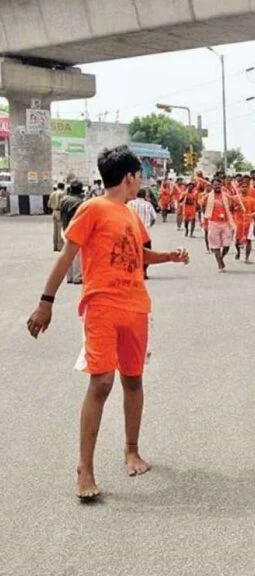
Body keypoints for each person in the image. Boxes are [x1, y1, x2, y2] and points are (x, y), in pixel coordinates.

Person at [26, 145, 189, 500]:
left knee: (133, 380)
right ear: (129, 177)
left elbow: (138, 254)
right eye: (139, 176)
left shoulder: (130, 214)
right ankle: (85, 469)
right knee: (101, 383)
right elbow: (66, 256)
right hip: (102, 306)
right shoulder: (92, 208)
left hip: (136, 308)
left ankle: (132, 450)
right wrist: (45, 302)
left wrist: (169, 257)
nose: (140, 182)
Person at [204, 176, 236, 272]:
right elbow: (202, 207)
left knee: (227, 244)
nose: (217, 186)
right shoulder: (207, 196)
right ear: (212, 186)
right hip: (213, 223)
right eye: (215, 185)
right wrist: (205, 222)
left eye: (218, 184)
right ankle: (220, 265)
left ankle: (221, 258)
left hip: (225, 223)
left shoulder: (226, 196)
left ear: (221, 185)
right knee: (216, 245)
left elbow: (231, 207)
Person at [128, 188, 158, 280]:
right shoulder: (148, 205)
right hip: (145, 233)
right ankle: (144, 271)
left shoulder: (130, 204)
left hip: (133, 232)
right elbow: (154, 217)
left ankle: (135, 272)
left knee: (133, 252)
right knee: (147, 253)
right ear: (144, 195)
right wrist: (149, 225)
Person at [60, 181, 87, 284]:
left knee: (67, 253)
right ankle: (77, 276)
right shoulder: (80, 202)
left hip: (65, 228)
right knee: (77, 255)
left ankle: (69, 276)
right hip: (76, 229)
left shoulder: (64, 200)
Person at [49, 182, 66, 252]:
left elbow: (49, 204)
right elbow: (63, 203)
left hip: (54, 212)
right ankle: (60, 247)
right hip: (59, 212)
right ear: (63, 187)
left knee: (55, 230)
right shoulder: (62, 193)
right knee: (60, 230)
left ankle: (55, 246)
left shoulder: (52, 193)